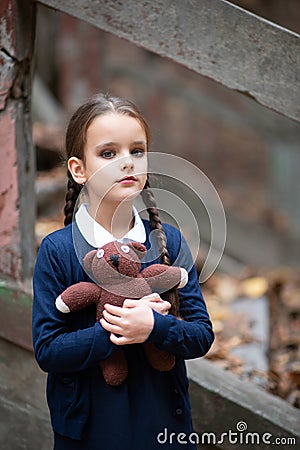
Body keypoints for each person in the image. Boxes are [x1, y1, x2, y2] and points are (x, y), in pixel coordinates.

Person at [32, 93, 214, 450]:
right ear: (78, 169)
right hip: (90, 432)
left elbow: (200, 335)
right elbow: (48, 350)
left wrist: (154, 327)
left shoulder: (168, 243)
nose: (127, 163)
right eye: (109, 153)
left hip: (163, 425)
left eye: (138, 150)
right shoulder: (58, 251)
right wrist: (112, 331)